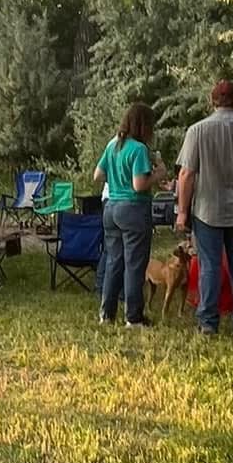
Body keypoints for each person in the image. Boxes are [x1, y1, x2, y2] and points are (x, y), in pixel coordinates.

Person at [175, 80, 233, 336]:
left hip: (207, 208)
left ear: (212, 100)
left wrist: (182, 211)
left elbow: (186, 174)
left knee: (209, 265)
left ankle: (208, 322)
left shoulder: (197, 130)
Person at [94, 102, 157, 327]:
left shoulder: (113, 144)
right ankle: (133, 317)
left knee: (114, 261)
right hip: (133, 208)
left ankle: (106, 314)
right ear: (144, 126)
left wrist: (116, 178)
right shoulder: (139, 149)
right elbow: (139, 185)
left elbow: (97, 175)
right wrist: (158, 174)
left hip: (111, 207)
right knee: (135, 264)